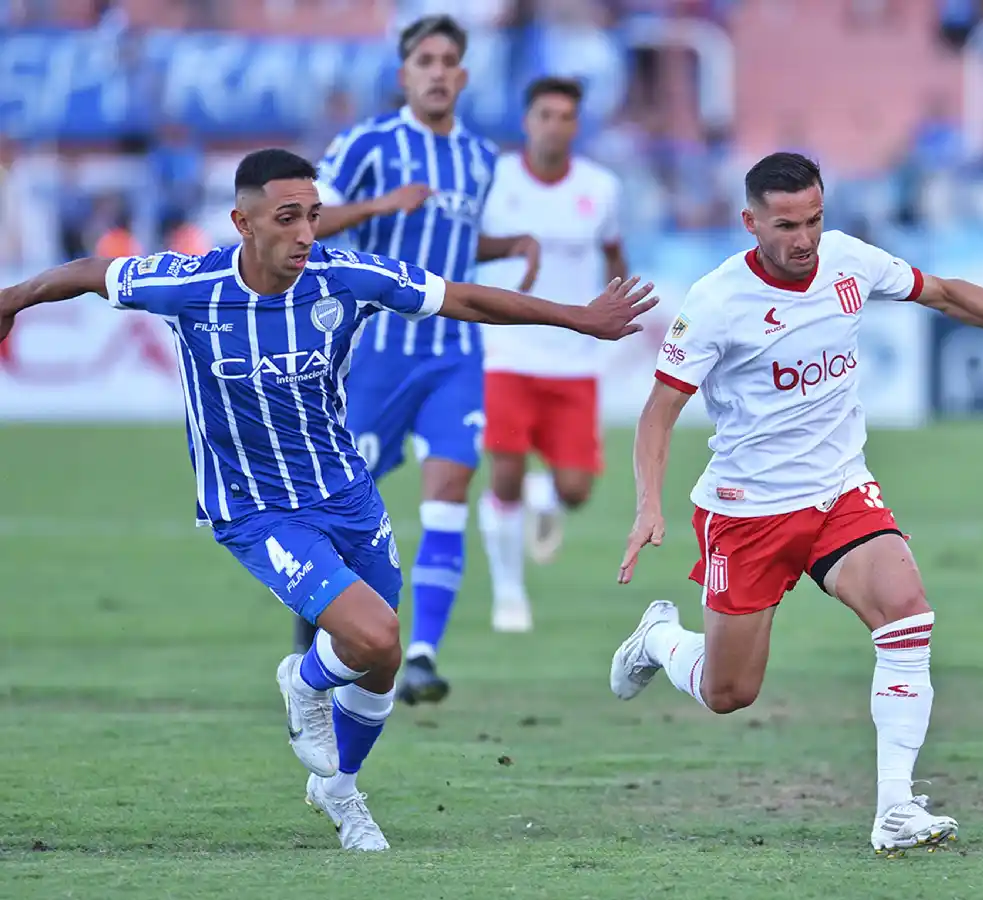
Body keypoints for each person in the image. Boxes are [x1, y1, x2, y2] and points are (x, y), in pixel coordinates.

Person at [0, 148, 656, 852]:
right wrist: (11, 300)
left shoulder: (343, 279)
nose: (308, 233)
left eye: (313, 216)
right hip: (255, 509)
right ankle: (304, 678)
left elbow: (460, 297)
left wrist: (576, 317)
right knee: (369, 635)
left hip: (347, 495)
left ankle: (340, 790)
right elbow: (87, 273)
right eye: (288, 218)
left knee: (383, 658)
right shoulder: (187, 283)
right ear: (243, 223)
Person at [609, 151, 983, 856]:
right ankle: (660, 639)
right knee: (729, 693)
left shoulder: (848, 262)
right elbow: (659, 412)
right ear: (749, 221)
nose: (804, 238)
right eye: (786, 225)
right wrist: (648, 507)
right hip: (750, 511)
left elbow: (940, 292)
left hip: (841, 489)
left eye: (814, 219)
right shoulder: (717, 301)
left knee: (908, 613)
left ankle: (896, 808)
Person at [296, 14, 541, 705]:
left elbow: (452, 246)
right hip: (376, 352)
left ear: (463, 75)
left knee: (447, 497)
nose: (437, 71)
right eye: (424, 60)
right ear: (405, 75)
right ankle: (313, 623)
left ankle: (423, 653)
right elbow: (305, 219)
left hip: (453, 353)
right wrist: (383, 203)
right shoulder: (369, 143)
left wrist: (509, 243)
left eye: (448, 60)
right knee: (336, 508)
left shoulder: (479, 156)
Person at [474, 76, 627, 633]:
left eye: (566, 116)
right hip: (507, 347)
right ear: (526, 120)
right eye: (545, 114)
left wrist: (619, 304)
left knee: (575, 490)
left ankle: (548, 497)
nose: (555, 125)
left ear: (576, 125)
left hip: (572, 355)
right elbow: (465, 245)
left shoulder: (601, 187)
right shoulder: (495, 181)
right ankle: (509, 594)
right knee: (505, 471)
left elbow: (614, 251)